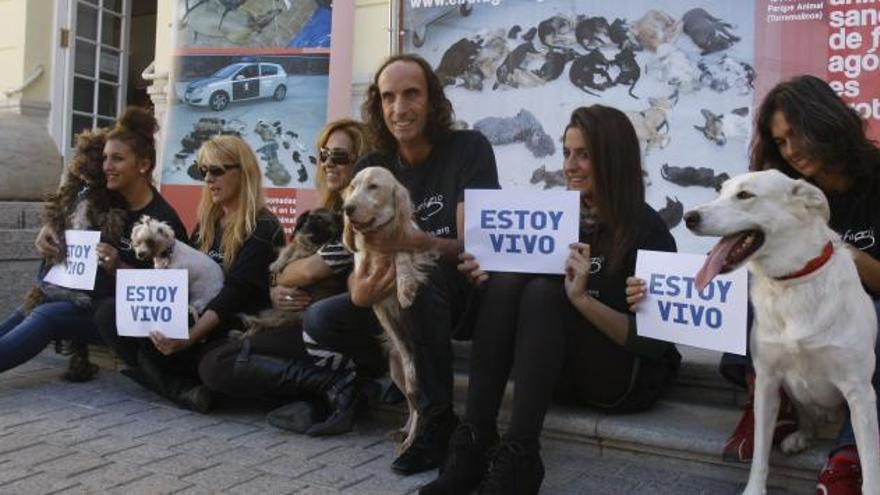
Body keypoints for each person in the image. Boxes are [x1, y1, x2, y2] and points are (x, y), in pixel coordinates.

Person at [421, 105, 681, 495]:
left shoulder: (647, 229)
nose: (570, 166)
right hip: (552, 372)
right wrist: (486, 279)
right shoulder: (557, 217)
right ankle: (474, 439)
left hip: (620, 378)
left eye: (584, 154)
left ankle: (521, 457)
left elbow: (653, 343)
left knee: (547, 293)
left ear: (612, 158)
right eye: (566, 152)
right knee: (508, 280)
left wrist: (582, 300)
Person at [302, 54, 500, 474]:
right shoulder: (377, 164)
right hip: (391, 291)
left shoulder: (468, 149)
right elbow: (357, 246)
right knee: (322, 318)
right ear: (378, 105)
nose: (399, 108)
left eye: (411, 94)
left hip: (461, 293)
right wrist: (359, 290)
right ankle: (400, 382)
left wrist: (419, 242)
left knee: (420, 284)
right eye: (388, 97)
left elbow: (472, 245)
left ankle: (437, 419)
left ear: (431, 100)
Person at [714, 75, 880, 494]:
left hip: (865, 313)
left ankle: (847, 457)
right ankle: (771, 403)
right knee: (755, 279)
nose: (792, 149)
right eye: (781, 142)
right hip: (801, 314)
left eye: (796, 133)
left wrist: (838, 256)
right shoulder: (783, 192)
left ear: (826, 120)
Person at [197, 119, 376, 436]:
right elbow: (284, 272)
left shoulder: (364, 216)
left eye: (340, 156)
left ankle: (337, 385)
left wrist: (284, 280)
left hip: (340, 332)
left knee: (218, 362)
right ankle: (320, 396)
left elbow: (306, 270)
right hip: (298, 322)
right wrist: (279, 285)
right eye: (323, 154)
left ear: (361, 162)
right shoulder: (319, 214)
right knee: (216, 361)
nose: (328, 163)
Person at [95, 135, 284, 413]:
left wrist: (190, 336)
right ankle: (181, 388)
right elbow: (177, 282)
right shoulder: (208, 222)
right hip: (194, 319)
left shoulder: (263, 227)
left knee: (212, 367)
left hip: (231, 327)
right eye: (203, 171)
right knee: (109, 313)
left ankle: (163, 380)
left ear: (244, 172)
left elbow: (235, 294)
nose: (209, 179)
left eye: (217, 170)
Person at [0, 108, 187, 379]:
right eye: (105, 158)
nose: (106, 167)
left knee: (47, 316)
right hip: (88, 302)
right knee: (28, 310)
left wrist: (119, 266)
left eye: (117, 159)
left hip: (120, 320)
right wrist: (51, 228)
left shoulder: (163, 222)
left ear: (143, 165)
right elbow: (73, 213)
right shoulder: (109, 201)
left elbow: (170, 295)